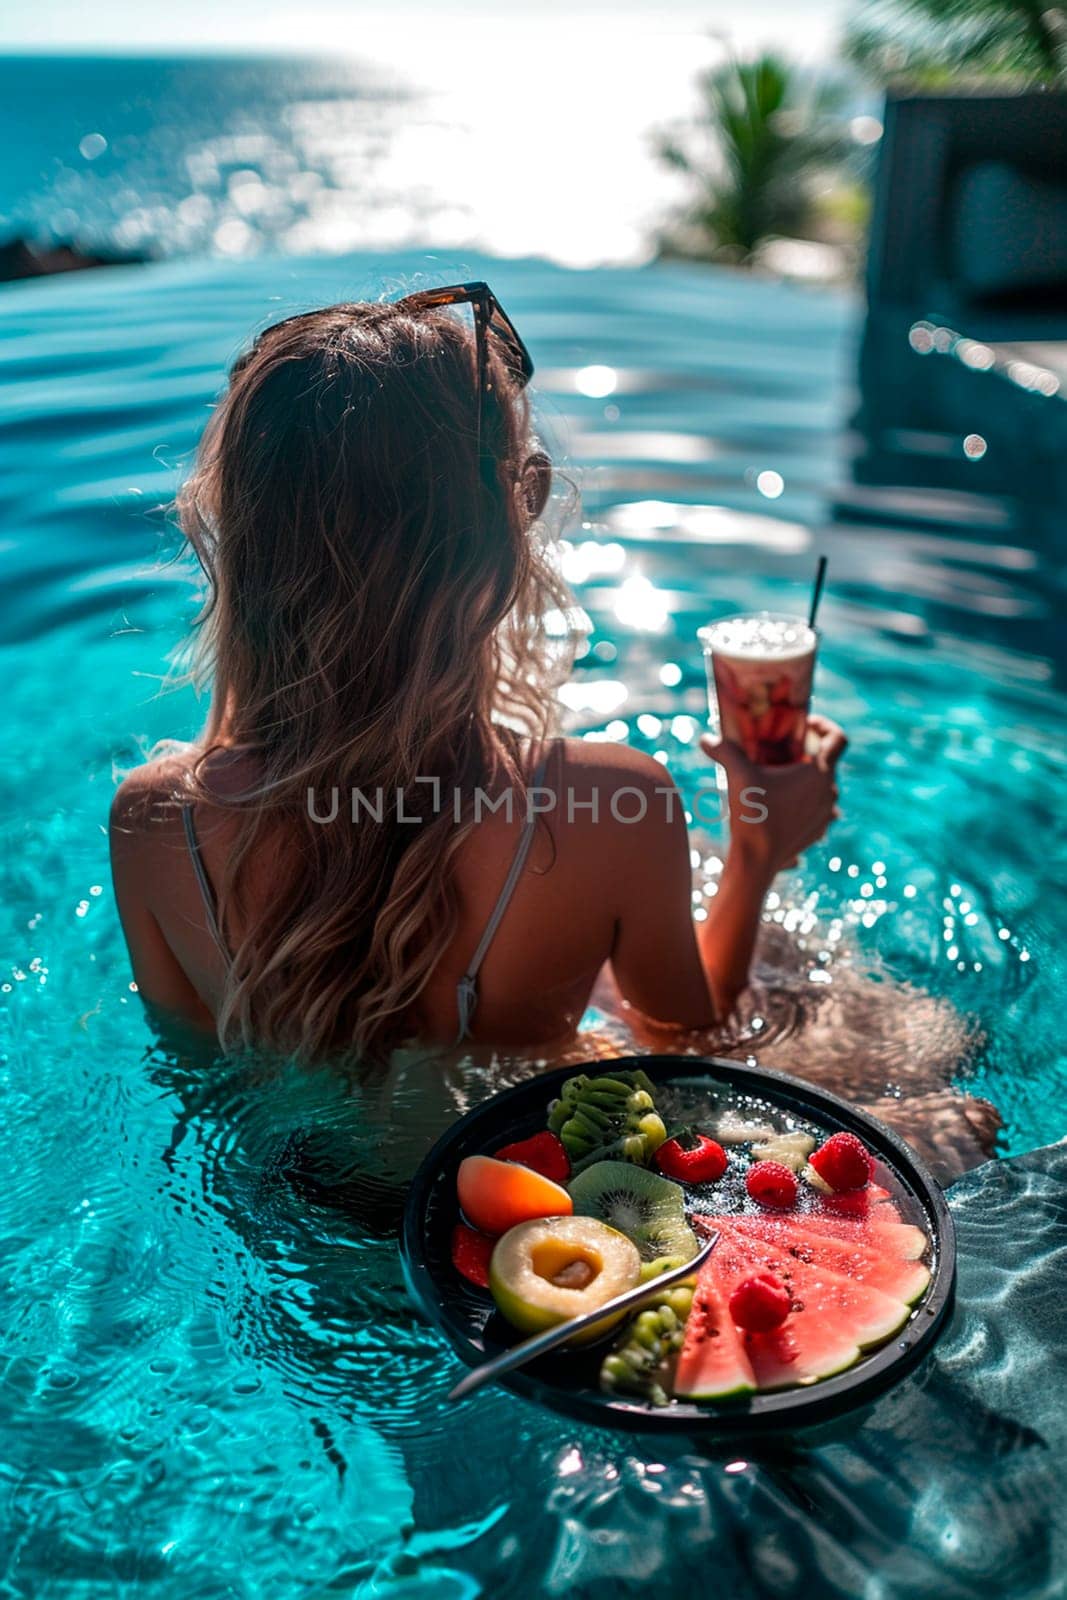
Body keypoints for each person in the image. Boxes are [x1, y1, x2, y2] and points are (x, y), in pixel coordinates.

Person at [110, 284, 845, 1066]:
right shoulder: (610, 803)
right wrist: (757, 853)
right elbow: (688, 1038)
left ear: (244, 544)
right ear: (517, 508)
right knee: (848, 1010)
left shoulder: (155, 821)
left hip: (292, 1184)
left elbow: (193, 1073)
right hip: (528, 1176)